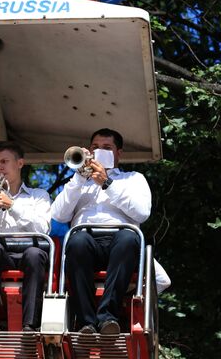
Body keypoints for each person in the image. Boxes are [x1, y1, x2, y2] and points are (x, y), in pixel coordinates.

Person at [52, 128, 165, 335]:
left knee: (128, 238)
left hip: (121, 241)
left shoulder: (133, 178)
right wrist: (78, 178)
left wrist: (107, 183)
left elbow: (141, 213)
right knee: (76, 243)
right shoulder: (78, 182)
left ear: (118, 153)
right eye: (94, 147)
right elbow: (58, 215)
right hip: (87, 240)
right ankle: (85, 322)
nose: (99, 151)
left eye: (106, 147)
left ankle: (107, 318)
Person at [0, 141, 51, 332]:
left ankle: (30, 324)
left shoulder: (38, 196)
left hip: (30, 250)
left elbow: (42, 229)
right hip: (1, 253)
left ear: (20, 163)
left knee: (34, 254)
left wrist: (12, 206)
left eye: (4, 161)